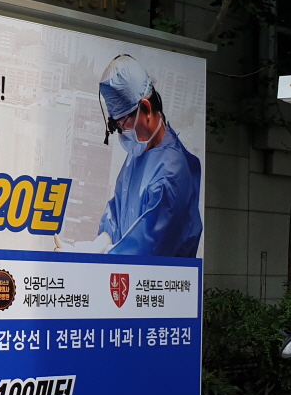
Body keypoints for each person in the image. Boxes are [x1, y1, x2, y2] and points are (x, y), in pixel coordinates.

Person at [59, 55, 202, 258]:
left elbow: (148, 251)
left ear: (146, 109)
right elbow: (118, 209)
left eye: (124, 122)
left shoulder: (171, 174)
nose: (123, 131)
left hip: (151, 277)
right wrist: (102, 241)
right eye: (116, 125)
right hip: (127, 272)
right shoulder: (140, 153)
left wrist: (97, 257)